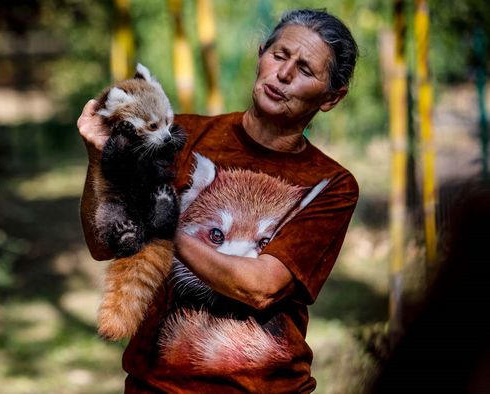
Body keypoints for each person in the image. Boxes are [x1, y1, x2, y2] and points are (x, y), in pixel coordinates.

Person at [78, 8, 359, 393]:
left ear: (332, 97)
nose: (284, 74)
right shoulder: (180, 136)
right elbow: (104, 244)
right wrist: (100, 160)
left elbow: (259, 287)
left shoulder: (331, 184)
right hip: (155, 385)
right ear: (261, 55)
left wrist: (164, 226)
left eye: (306, 70)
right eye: (279, 55)